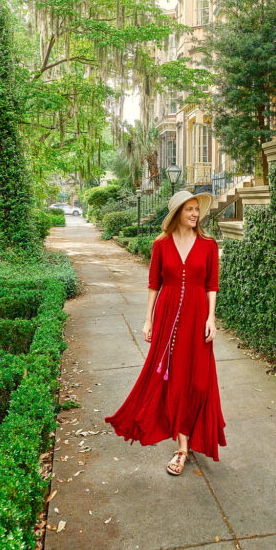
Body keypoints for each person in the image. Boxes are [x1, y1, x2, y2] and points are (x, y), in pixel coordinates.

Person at [105, 189, 226, 475]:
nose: (195, 214)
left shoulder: (208, 245)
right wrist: (148, 320)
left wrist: (211, 318)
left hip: (198, 318)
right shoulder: (160, 245)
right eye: (190, 210)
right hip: (168, 318)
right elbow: (153, 284)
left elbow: (212, 285)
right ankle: (183, 446)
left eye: (197, 209)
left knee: (198, 382)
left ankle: (191, 430)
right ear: (177, 214)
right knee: (176, 380)